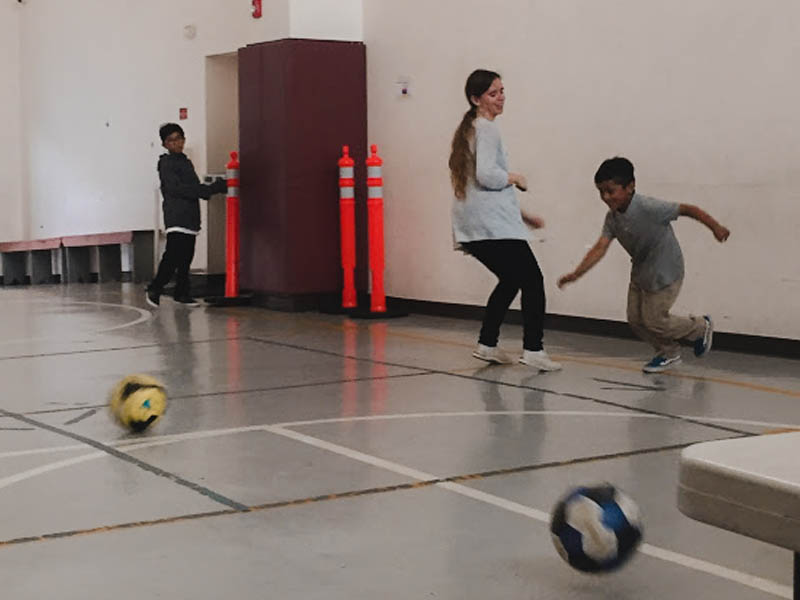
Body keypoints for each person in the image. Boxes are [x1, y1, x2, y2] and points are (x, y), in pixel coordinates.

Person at [557, 157, 730, 373]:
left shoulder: (649, 207)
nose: (605, 197)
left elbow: (688, 209)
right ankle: (668, 352)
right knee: (636, 320)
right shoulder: (612, 219)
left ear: (630, 187)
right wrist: (576, 273)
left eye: (611, 191)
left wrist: (716, 227)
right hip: (641, 272)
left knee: (656, 320)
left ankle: (699, 328)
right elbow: (600, 247)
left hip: (666, 271)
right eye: (601, 192)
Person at [448, 69, 561, 371]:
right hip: (488, 227)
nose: (501, 98)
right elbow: (488, 176)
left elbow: (480, 185)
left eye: (502, 91)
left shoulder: (473, 128)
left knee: (512, 279)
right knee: (533, 280)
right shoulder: (486, 128)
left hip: (477, 224)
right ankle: (534, 349)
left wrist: (523, 217)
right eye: (493, 93)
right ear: (476, 99)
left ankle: (487, 344)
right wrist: (515, 177)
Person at [146, 123, 227, 308]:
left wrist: (206, 190)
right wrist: (210, 189)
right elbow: (178, 188)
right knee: (173, 254)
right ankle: (155, 287)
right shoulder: (166, 163)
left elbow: (193, 187)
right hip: (176, 215)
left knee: (186, 256)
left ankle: (182, 292)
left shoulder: (185, 161)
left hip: (190, 216)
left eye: (179, 138)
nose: (176, 143)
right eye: (171, 140)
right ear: (164, 144)